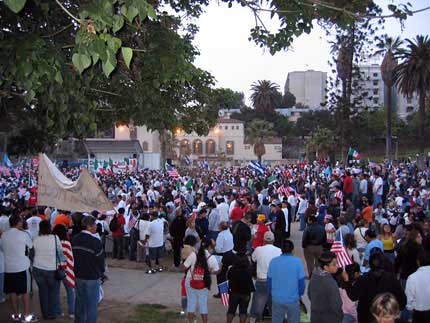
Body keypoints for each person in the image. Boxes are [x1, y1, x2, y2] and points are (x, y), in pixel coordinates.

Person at [342, 250, 406, 323]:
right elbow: (402, 302)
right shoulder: (392, 279)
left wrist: (347, 282)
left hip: (367, 317)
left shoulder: (363, 279)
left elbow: (353, 296)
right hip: (385, 316)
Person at [2, 214, 36, 322]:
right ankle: (26, 316)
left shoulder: (4, 235)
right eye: (21, 221)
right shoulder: (24, 235)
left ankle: (16, 315)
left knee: (12, 292)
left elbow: (2, 248)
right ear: (18, 223)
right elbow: (31, 247)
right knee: (25, 292)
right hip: (22, 267)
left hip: (9, 267)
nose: (22, 223)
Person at [72, 216, 105, 323]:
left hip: (78, 275)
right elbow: (100, 261)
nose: (96, 227)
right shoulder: (95, 241)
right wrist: (102, 273)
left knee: (80, 301)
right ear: (89, 227)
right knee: (92, 304)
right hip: (92, 276)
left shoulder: (75, 238)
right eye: (95, 225)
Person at [267, 239, 306, 323]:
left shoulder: (273, 262)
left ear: (281, 249)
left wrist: (272, 293)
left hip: (277, 299)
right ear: (292, 250)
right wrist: (299, 294)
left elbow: (269, 281)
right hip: (293, 299)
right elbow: (302, 283)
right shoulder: (297, 262)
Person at [32, 220, 64, 320]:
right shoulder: (55, 238)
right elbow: (60, 254)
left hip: (37, 268)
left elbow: (32, 253)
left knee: (42, 292)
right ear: (50, 227)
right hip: (51, 269)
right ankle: (52, 313)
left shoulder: (36, 239)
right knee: (53, 292)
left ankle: (45, 314)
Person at [182, 238, 219, 323]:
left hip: (190, 281)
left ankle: (190, 321)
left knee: (191, 303)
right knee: (203, 304)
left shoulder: (193, 254)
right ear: (209, 247)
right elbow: (216, 272)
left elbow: (184, 267)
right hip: (204, 283)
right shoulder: (212, 258)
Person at [250, 231, 282, 323]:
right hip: (275, 280)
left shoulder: (258, 249)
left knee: (258, 301)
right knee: (275, 302)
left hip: (261, 279)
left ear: (264, 240)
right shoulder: (279, 251)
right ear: (273, 240)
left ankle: (254, 319)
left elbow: (253, 259)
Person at [308, 251, 343, 323]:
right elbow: (336, 304)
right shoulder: (330, 283)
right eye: (334, 264)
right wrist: (340, 316)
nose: (337, 266)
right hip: (329, 318)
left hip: (315, 316)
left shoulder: (314, 274)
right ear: (326, 267)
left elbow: (309, 294)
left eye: (337, 263)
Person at [52, 224, 75, 319]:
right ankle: (72, 312)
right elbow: (70, 258)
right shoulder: (66, 243)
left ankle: (58, 311)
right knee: (70, 291)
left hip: (55, 269)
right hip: (66, 270)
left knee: (56, 292)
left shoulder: (52, 242)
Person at [226, 254, 255, 323]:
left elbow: (228, 277)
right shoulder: (249, 270)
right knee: (243, 311)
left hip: (234, 292)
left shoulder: (232, 269)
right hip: (246, 293)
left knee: (231, 310)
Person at [405, 248, 430, 323]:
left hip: (419, 314)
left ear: (418, 262)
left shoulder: (412, 277)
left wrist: (412, 307)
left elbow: (409, 300)